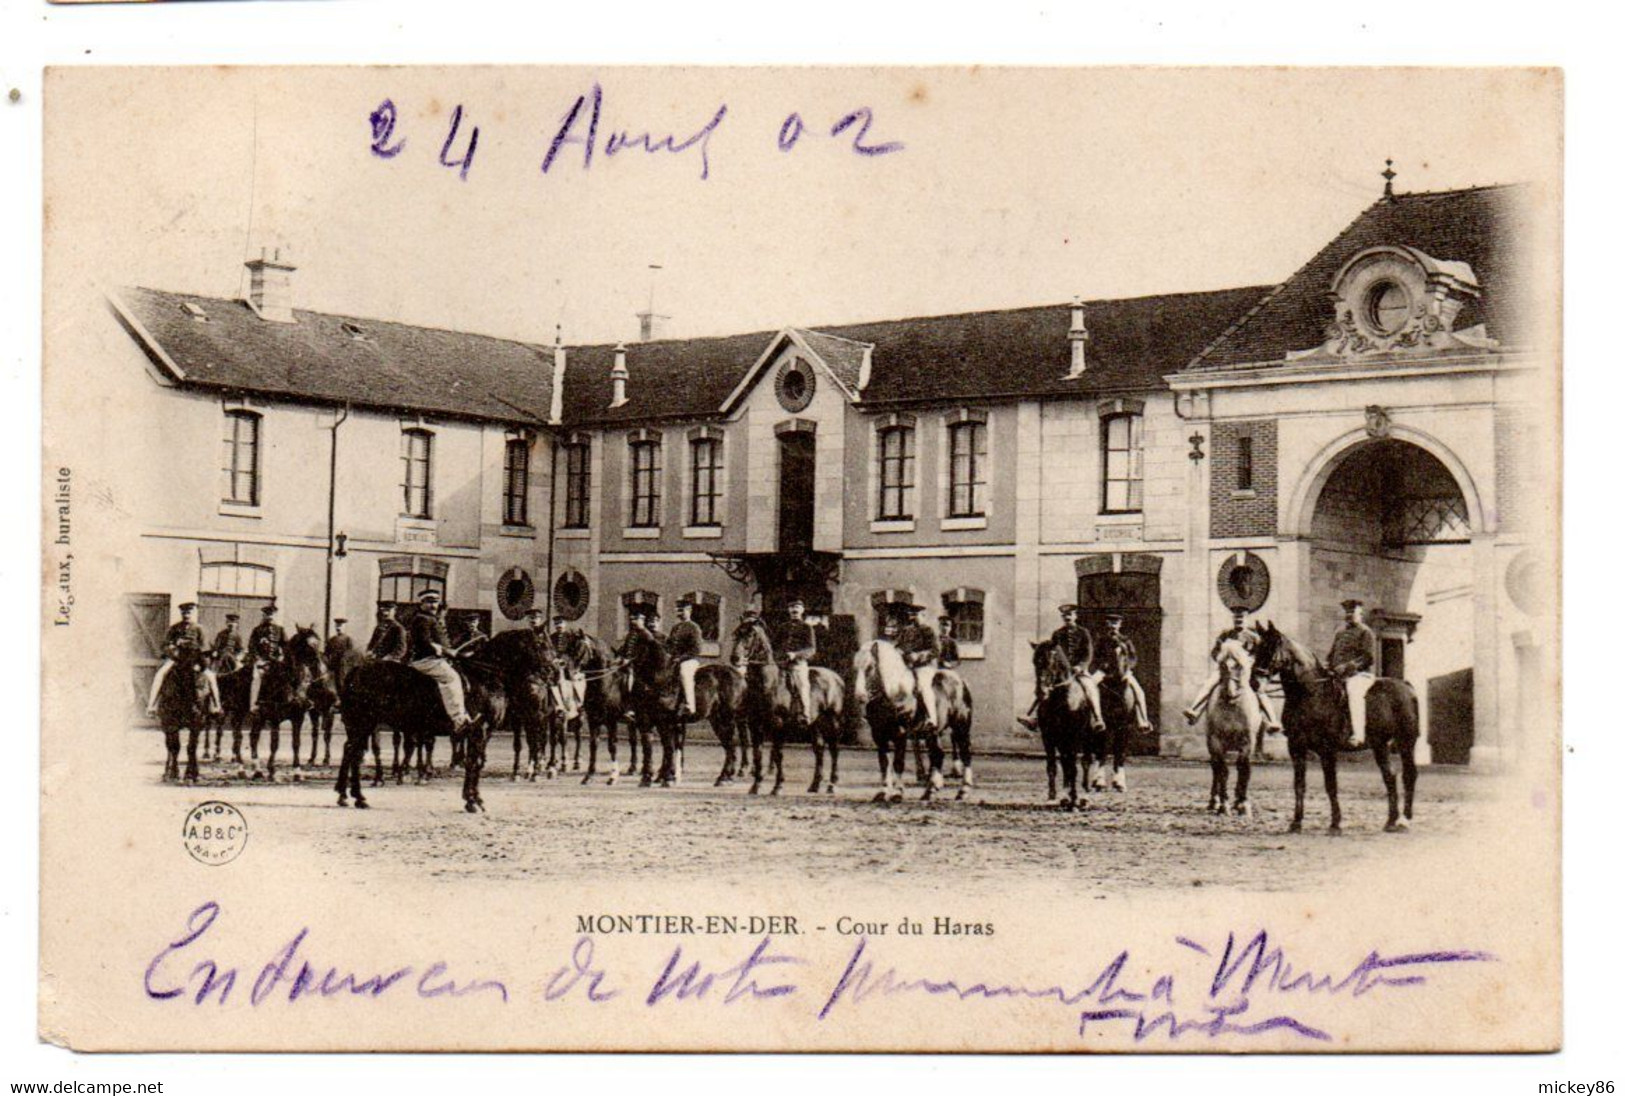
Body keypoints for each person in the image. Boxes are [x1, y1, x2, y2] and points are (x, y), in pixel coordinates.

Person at [1182, 607, 1280, 731]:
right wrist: (1222, 661)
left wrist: (1250, 662)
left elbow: (1259, 656)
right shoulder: (1226, 634)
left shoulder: (1253, 637)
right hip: (1225, 668)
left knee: (1259, 691)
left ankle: (1272, 721)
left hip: (1244, 670)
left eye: (1241, 618)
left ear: (1246, 618)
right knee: (1209, 684)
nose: (1238, 620)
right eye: (1236, 618)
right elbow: (1215, 652)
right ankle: (1194, 710)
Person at [1017, 603, 1092, 730]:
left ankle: (1097, 718)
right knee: (1044, 690)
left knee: (1090, 689)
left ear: (1075, 616)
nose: (1067, 617)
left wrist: (1080, 666)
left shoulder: (1083, 632)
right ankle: (1032, 715)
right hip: (1061, 673)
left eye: (1070, 615)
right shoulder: (1057, 634)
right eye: (1064, 615)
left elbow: (1088, 654)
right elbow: (1051, 652)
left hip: (1078, 671)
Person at [407, 589, 473, 732]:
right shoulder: (421, 619)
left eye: (435, 602)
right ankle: (458, 719)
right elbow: (424, 642)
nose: (433, 605)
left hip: (435, 659)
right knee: (451, 678)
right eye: (429, 602)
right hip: (425, 660)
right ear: (422, 603)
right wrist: (446, 651)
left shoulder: (432, 618)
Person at [146, 601, 221, 715]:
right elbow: (165, 645)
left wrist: (199, 661)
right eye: (184, 612)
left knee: (211, 677)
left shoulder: (199, 629)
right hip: (177, 659)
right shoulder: (174, 628)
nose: (186, 615)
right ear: (181, 613)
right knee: (160, 674)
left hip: (195, 659)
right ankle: (152, 705)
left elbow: (204, 646)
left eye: (189, 612)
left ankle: (216, 706)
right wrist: (173, 646)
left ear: (193, 613)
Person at [1328, 598, 1377, 748]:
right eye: (1347, 612)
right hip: (1339, 675)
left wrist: (1347, 667)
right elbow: (1332, 654)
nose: (1349, 615)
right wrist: (1327, 665)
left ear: (1360, 613)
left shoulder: (1365, 632)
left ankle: (1358, 735)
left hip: (1359, 675)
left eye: (1352, 612)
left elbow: (1367, 658)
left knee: (1354, 693)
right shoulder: (1340, 632)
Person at [1100, 613, 1154, 732]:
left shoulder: (1126, 640)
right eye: (1111, 622)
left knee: (1139, 691)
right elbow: (1097, 656)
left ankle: (1143, 720)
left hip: (1123, 671)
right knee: (1091, 687)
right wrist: (1102, 665)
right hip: (1105, 672)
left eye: (1116, 623)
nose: (1113, 626)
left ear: (1120, 625)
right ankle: (1095, 719)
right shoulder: (1102, 640)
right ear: (1107, 624)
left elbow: (1133, 657)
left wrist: (1128, 668)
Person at [894, 602, 941, 730]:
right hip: (906, 666)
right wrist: (899, 651)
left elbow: (936, 650)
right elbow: (898, 646)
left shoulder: (928, 631)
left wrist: (919, 656)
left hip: (924, 666)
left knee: (923, 686)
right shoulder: (905, 631)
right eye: (911, 615)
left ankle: (932, 718)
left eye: (916, 615)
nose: (913, 618)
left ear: (923, 615)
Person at [777, 598, 817, 724]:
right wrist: (777, 656)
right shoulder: (782, 627)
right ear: (788, 610)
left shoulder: (807, 627)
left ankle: (805, 714)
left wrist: (795, 655)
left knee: (802, 686)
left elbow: (811, 649)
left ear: (802, 610)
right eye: (792, 607)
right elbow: (774, 645)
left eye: (797, 607)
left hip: (798, 664)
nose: (794, 610)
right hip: (781, 665)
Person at [247, 602, 287, 715]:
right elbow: (251, 646)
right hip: (262, 661)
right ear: (263, 615)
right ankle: (253, 705)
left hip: (276, 661)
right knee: (256, 678)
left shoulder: (280, 630)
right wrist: (258, 659)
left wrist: (282, 656)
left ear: (275, 615)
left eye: (272, 614)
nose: (270, 617)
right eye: (267, 614)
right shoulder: (257, 630)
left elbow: (286, 646)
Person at [669, 597, 705, 717]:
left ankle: (690, 706)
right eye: (678, 610)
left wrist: (681, 658)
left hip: (690, 660)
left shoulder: (694, 627)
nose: (680, 613)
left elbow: (697, 649)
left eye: (682, 610)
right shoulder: (675, 628)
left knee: (685, 672)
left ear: (689, 610)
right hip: (675, 659)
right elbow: (669, 645)